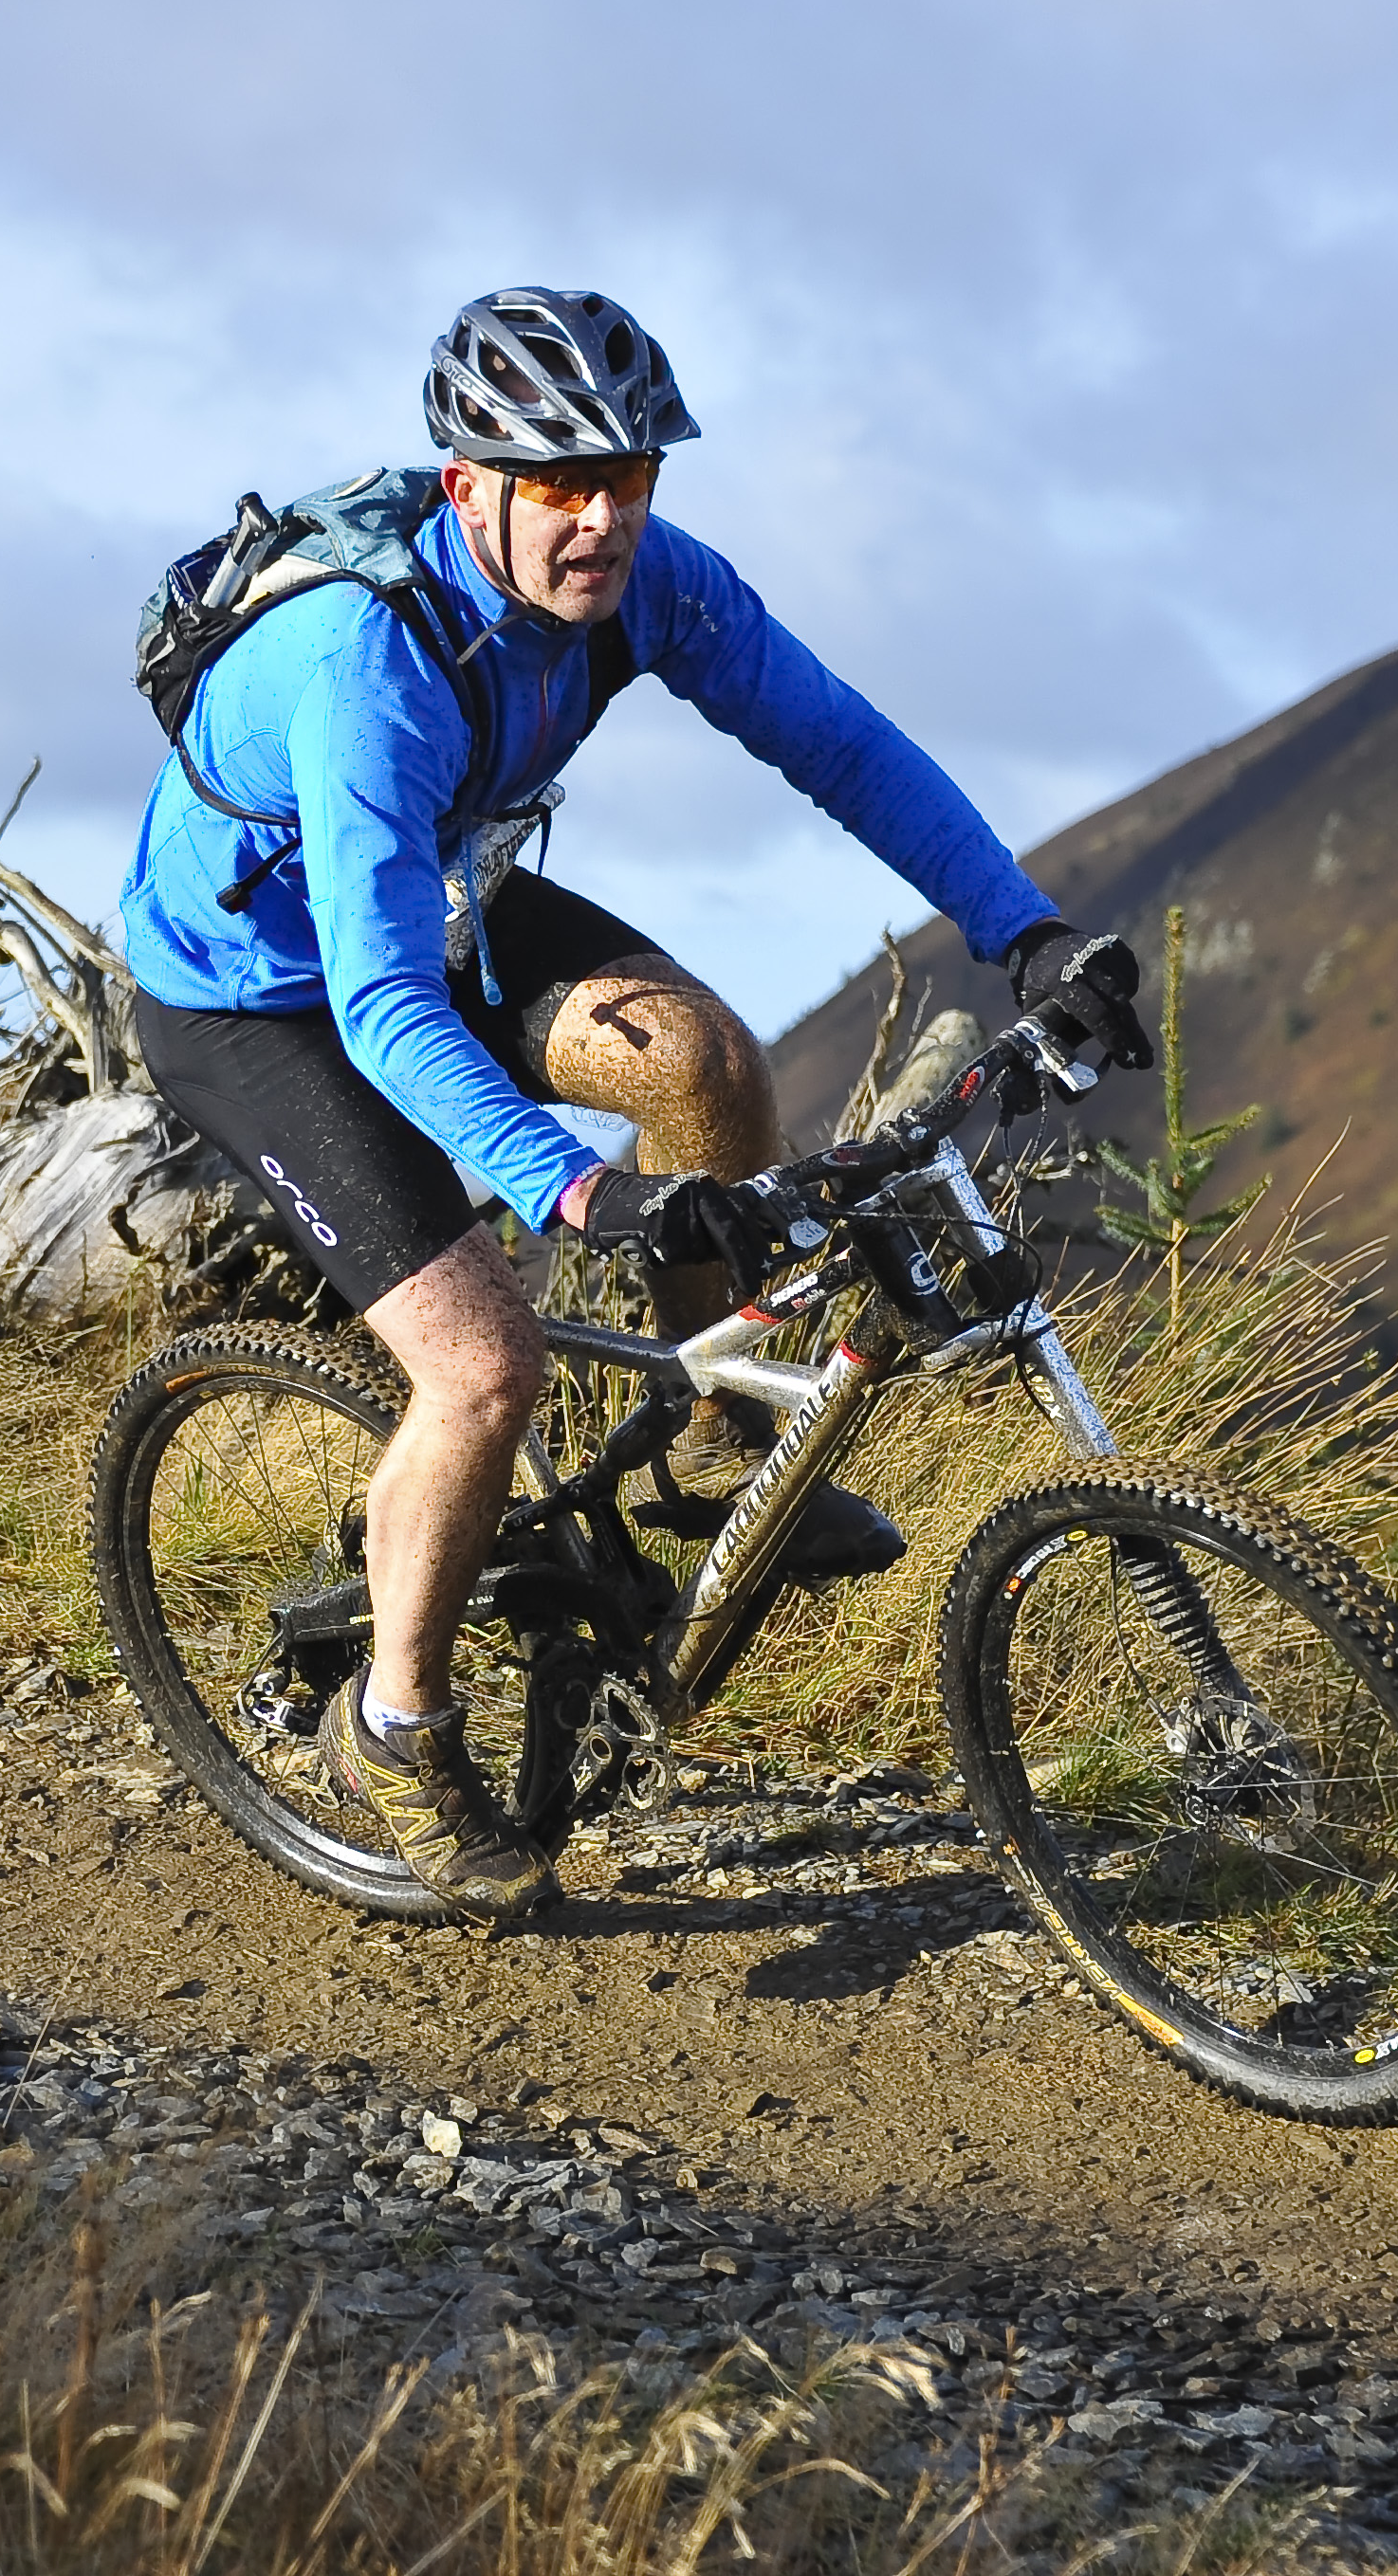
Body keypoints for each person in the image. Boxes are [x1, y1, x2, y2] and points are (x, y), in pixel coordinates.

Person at [115, 287, 1153, 1923]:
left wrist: (1023, 931)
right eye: (558, 484)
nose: (600, 517)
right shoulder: (369, 667)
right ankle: (396, 1724)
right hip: (257, 999)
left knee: (705, 1065)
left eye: (627, 476)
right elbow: (377, 1006)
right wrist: (579, 1191)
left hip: (432, 911)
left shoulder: (649, 584)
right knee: (484, 1367)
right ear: (470, 487)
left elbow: (842, 746)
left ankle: (722, 1450)